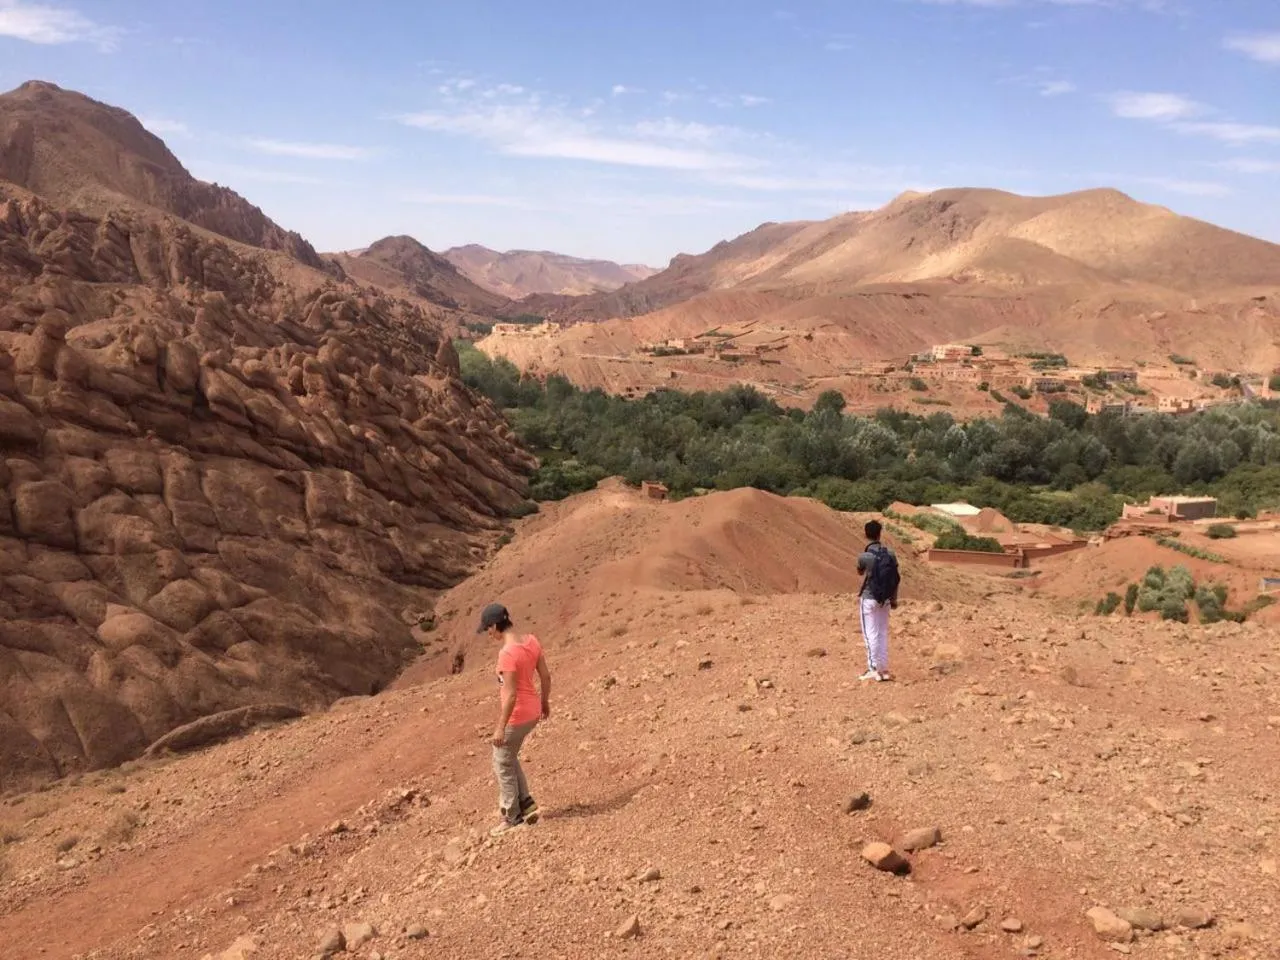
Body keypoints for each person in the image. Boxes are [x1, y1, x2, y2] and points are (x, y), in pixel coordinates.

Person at [478, 602, 551, 836]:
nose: (488, 633)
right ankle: (526, 803)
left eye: (488, 628)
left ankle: (511, 816)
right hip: (532, 712)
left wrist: (500, 728)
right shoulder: (531, 641)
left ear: (496, 625)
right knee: (509, 755)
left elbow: (510, 695)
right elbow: (546, 676)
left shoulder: (507, 654)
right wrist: (544, 702)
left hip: (517, 715)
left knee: (501, 760)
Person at [856, 520, 900, 682]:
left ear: (865, 534)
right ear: (880, 534)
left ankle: (873, 669)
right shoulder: (891, 554)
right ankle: (884, 669)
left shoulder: (864, 556)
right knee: (882, 633)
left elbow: (860, 572)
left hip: (869, 598)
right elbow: (895, 579)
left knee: (870, 634)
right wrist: (894, 599)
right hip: (886, 600)